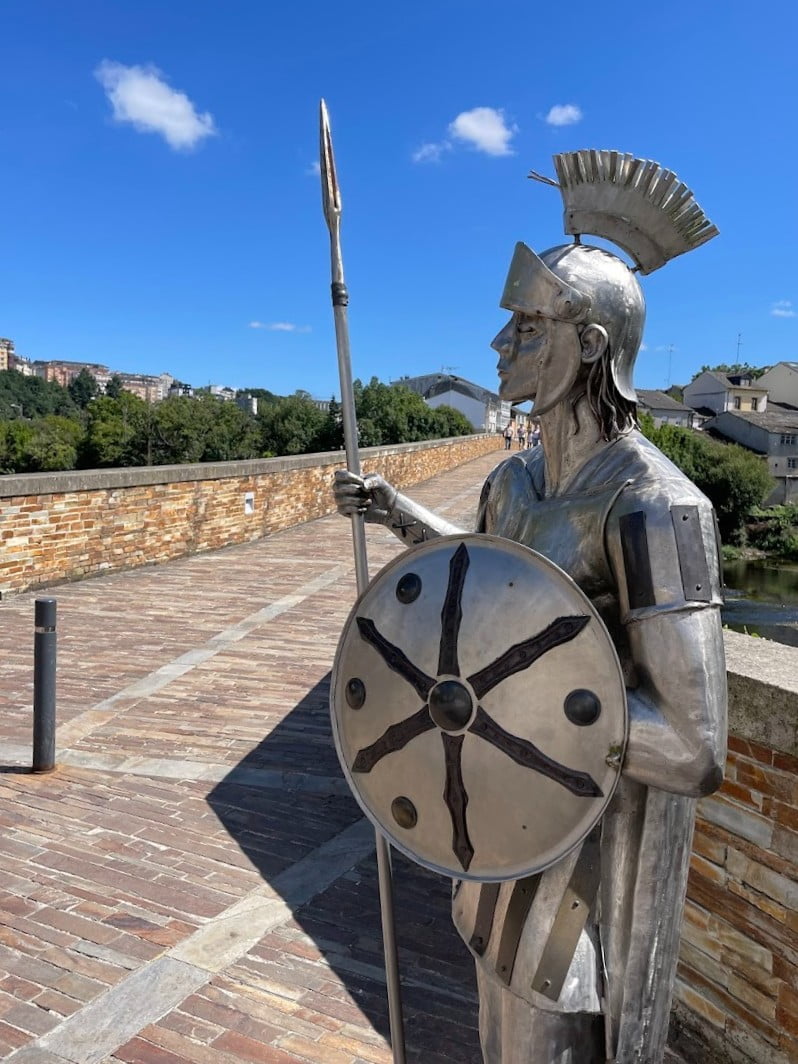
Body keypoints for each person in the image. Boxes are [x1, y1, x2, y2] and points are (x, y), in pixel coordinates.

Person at [333, 151, 726, 1063]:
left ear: (588, 346)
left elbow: (692, 744)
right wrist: (399, 514)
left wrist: (522, 702)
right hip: (498, 833)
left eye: (525, 326)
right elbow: (489, 589)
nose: (498, 345)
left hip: (580, 863)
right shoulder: (512, 483)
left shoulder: (656, 507)